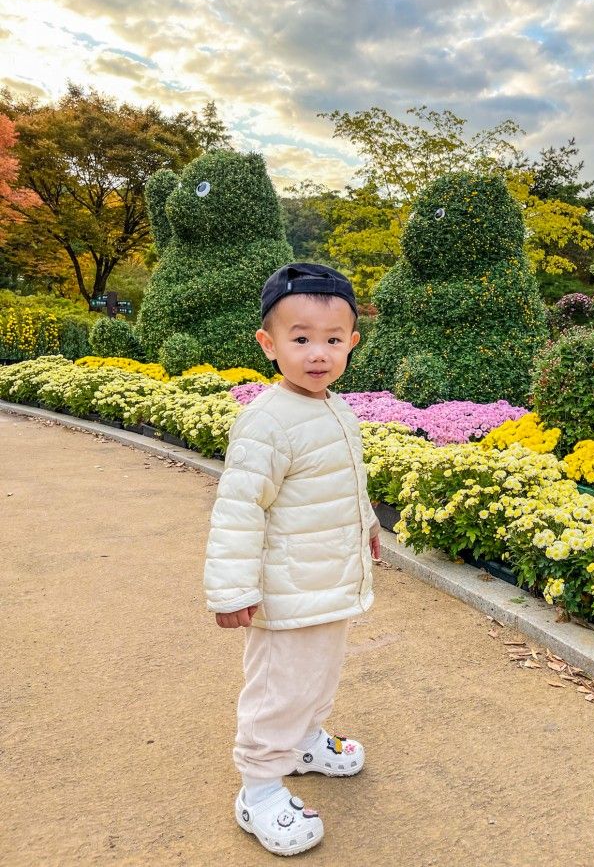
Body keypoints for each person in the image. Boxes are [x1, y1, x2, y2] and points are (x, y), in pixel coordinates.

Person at [204, 263, 381, 856]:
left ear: (352, 342)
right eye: (300, 338)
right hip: (284, 590)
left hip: (328, 580)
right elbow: (239, 510)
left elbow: (345, 484)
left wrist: (369, 526)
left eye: (332, 340)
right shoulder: (267, 421)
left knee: (319, 673)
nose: (317, 354)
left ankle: (306, 741)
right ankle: (258, 788)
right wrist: (233, 590)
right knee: (279, 685)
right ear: (269, 344)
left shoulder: (337, 409)